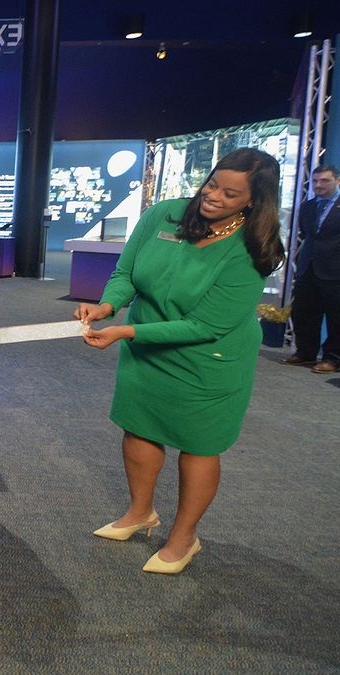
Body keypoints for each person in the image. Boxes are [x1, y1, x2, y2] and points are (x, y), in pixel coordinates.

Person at [74, 148, 285, 575]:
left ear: (253, 201)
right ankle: (140, 513)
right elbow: (127, 274)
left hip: (206, 358)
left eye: (230, 193)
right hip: (145, 350)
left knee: (198, 446)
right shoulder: (164, 216)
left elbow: (204, 325)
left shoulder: (252, 248)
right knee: (139, 429)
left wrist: (125, 332)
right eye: (212, 184)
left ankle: (184, 536)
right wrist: (108, 306)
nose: (213, 197)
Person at [282, 164, 340, 374]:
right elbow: (307, 235)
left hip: (335, 271)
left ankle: (333, 359)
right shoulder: (307, 207)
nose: (318, 185)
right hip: (309, 267)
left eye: (324, 181)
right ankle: (306, 353)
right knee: (303, 312)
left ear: (337, 181)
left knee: (336, 317)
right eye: (315, 181)